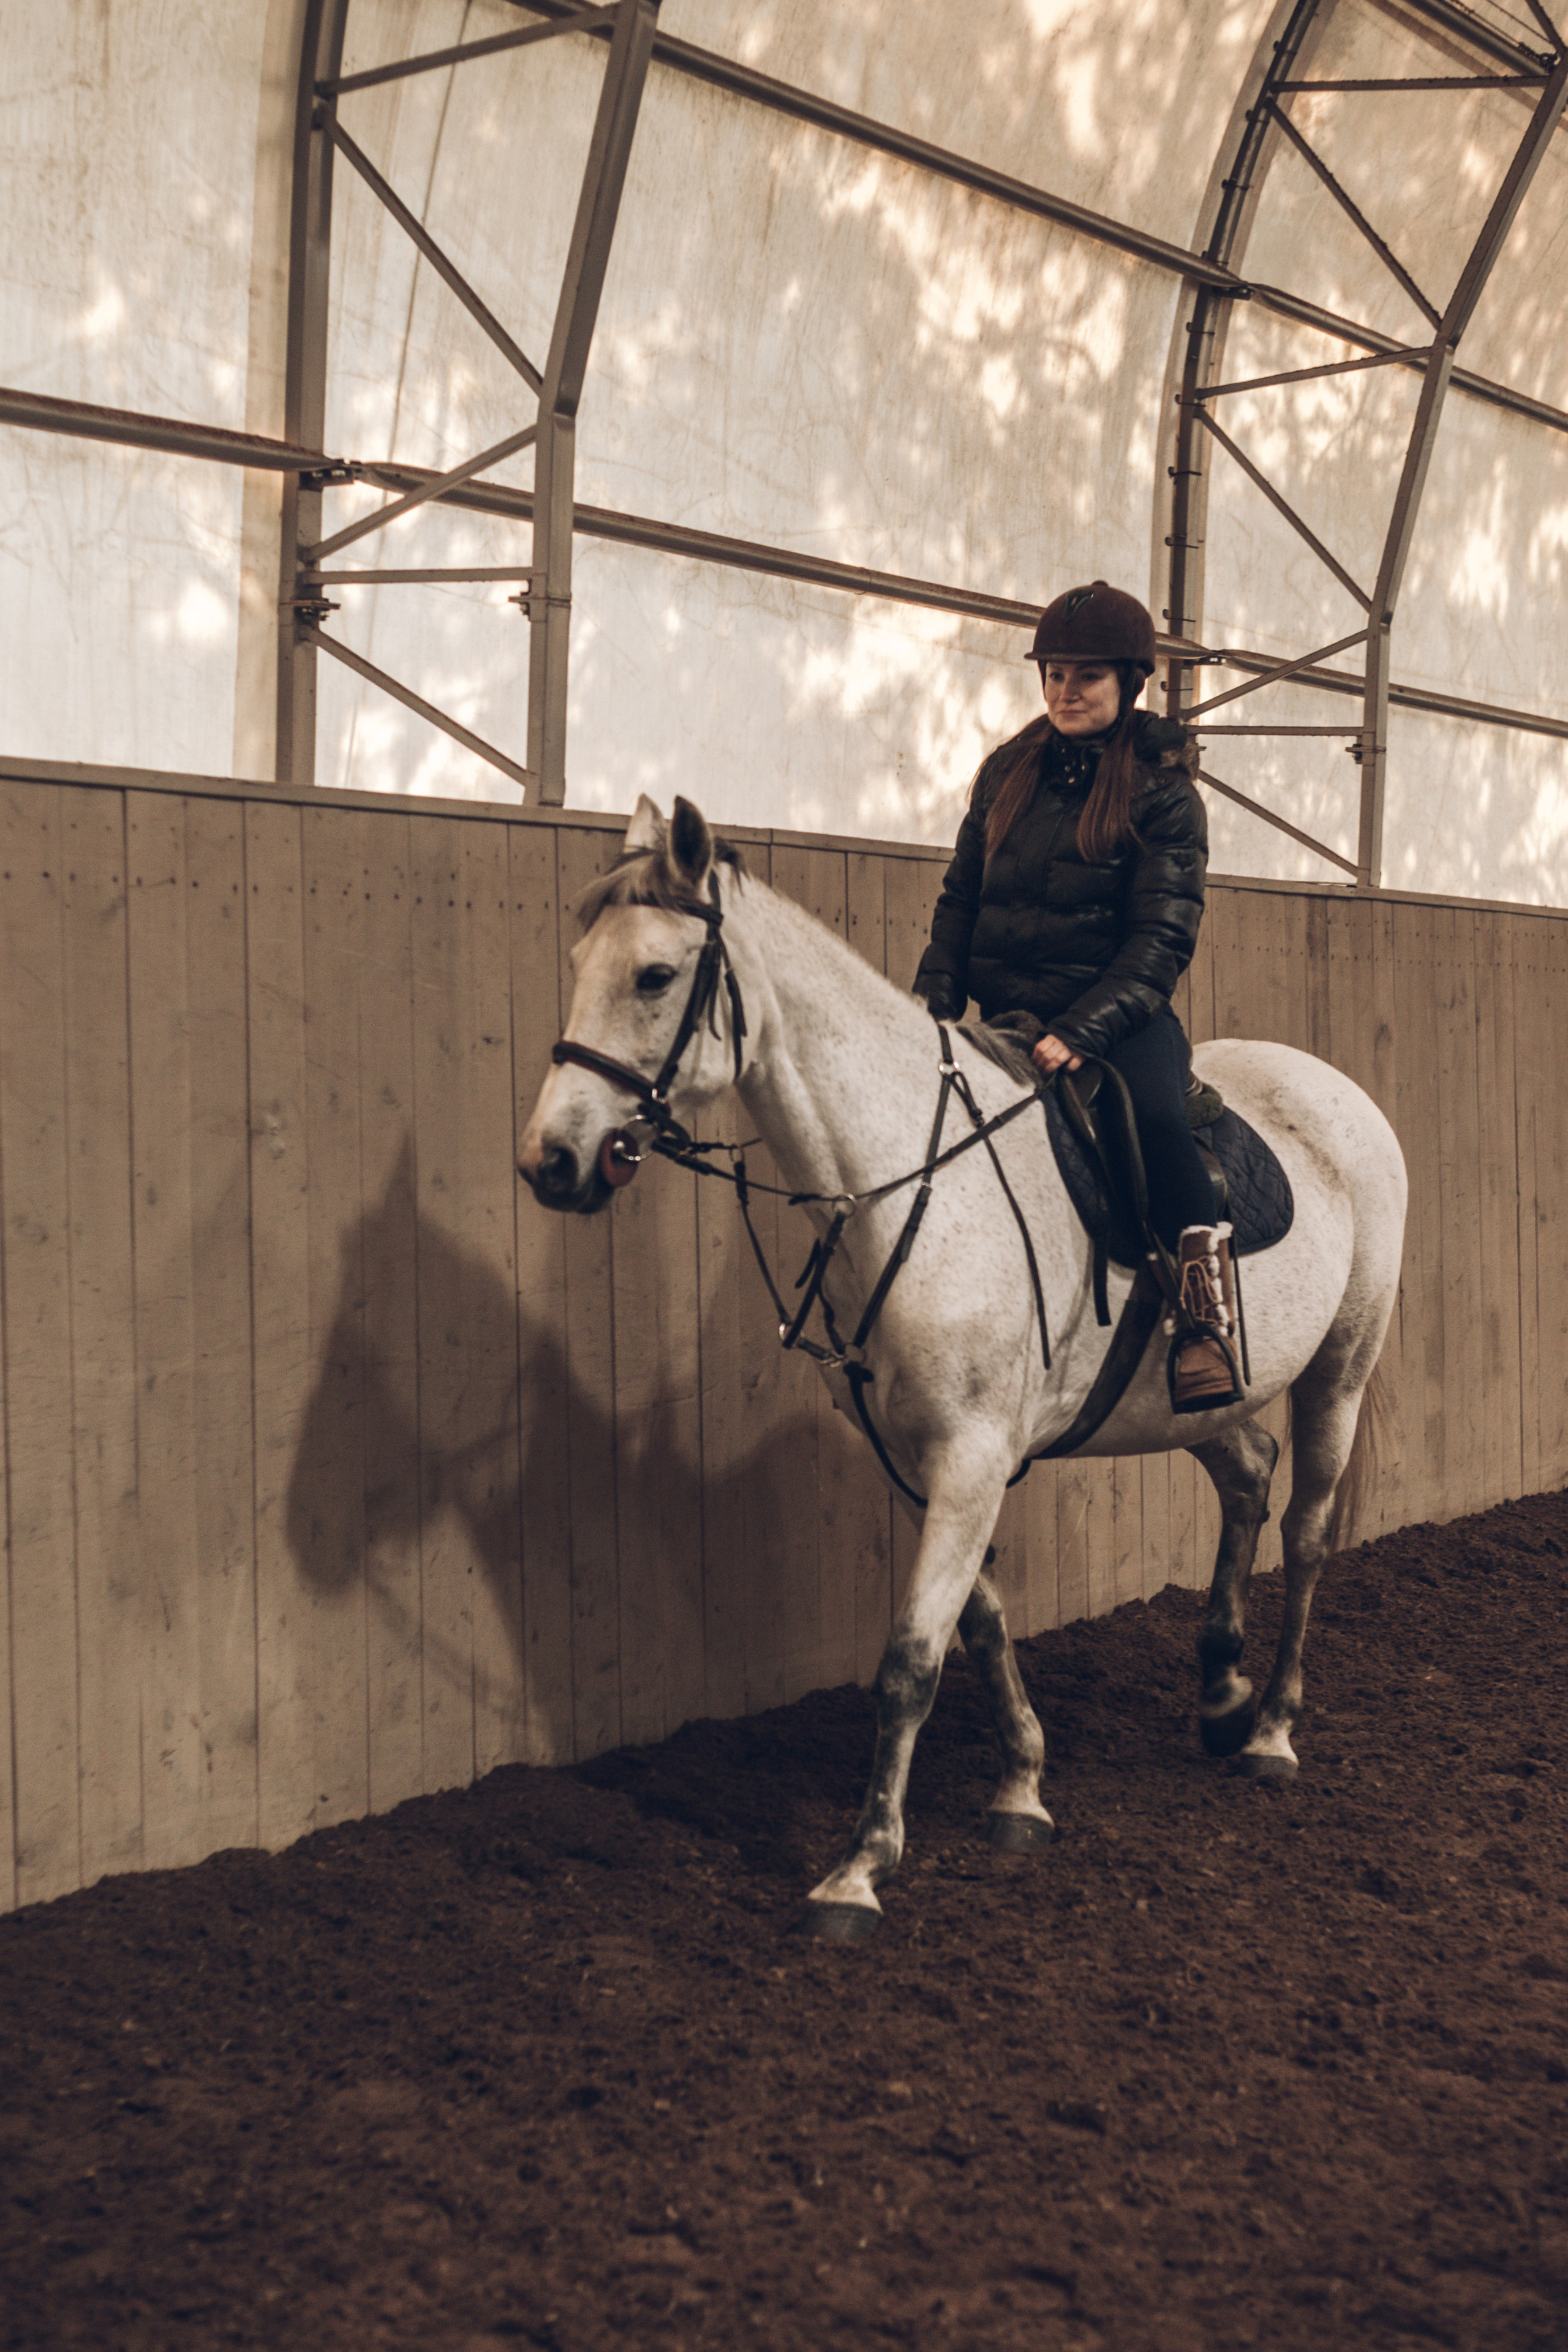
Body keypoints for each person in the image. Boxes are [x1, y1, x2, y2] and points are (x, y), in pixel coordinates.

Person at [911, 579, 1242, 1414]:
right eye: (1053, 672)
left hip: (1115, 1021)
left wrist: (1084, 1029)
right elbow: (961, 899)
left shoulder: (1167, 796)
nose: (1064, 690)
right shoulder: (1005, 775)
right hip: (1005, 1022)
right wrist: (934, 1000)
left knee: (1162, 1124)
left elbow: (1160, 941)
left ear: (1129, 683)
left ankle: (1206, 1321)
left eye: (1084, 676)